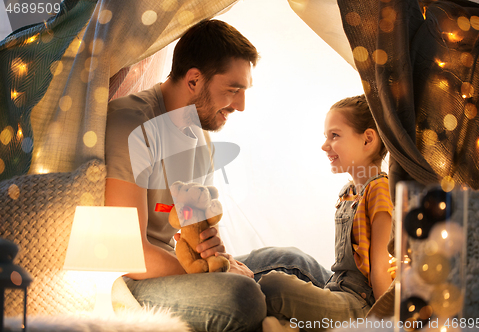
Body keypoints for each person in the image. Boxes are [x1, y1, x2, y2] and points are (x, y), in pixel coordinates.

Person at [105, 19, 331, 332]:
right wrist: (215, 275)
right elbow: (127, 251)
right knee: (244, 296)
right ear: (194, 80)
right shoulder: (131, 124)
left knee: (293, 262)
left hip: (189, 270)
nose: (239, 105)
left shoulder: (200, 137)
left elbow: (194, 230)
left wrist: (217, 254)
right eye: (232, 90)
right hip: (142, 281)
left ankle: (370, 314)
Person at [258, 95, 393, 332]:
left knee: (273, 285)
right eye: (325, 137)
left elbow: (380, 267)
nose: (325, 145)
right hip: (337, 289)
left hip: (360, 303)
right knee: (284, 264)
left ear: (367, 139)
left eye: (335, 136)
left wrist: (386, 324)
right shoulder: (349, 192)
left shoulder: (380, 189)